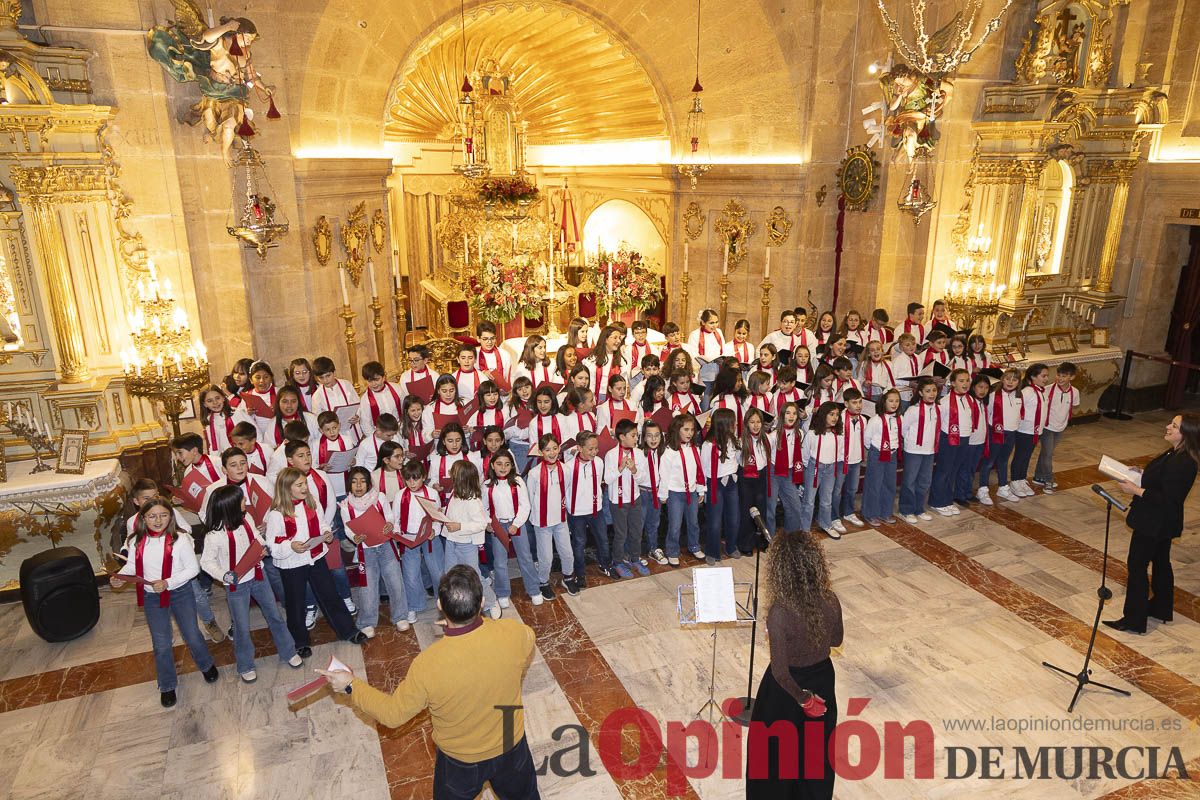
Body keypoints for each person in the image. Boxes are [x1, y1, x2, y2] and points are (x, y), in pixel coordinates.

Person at [318, 567, 540, 800]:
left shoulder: (428, 665)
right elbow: (525, 642)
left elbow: (393, 715)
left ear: (440, 607)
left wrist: (352, 685)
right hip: (511, 743)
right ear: (482, 601)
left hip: (461, 760)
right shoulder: (514, 633)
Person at [746, 530, 842, 800]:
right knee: (816, 754)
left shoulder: (780, 612)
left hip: (786, 692)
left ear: (779, 570)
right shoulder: (830, 599)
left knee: (776, 757)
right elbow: (836, 640)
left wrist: (804, 699)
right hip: (823, 678)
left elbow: (780, 670)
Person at [112, 498, 218, 707]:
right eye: (152, 516)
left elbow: (192, 570)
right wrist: (120, 576)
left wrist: (168, 582)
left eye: (163, 515)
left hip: (180, 592)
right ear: (143, 518)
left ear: (171, 517)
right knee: (161, 643)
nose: (158, 520)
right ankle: (167, 684)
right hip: (153, 597)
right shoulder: (136, 541)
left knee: (192, 634)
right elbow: (132, 565)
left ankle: (206, 665)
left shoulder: (180, 539)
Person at [1105, 414, 1199, 634]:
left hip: (1154, 522)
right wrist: (1142, 474)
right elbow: (1162, 480)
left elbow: (1167, 499)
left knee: (1137, 566)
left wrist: (1135, 490)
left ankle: (1134, 620)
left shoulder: (1183, 463)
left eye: (1174, 426)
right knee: (1160, 562)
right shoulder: (1175, 452)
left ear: (1185, 435)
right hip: (1162, 522)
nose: (1168, 427)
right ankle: (1160, 608)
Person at [201, 485, 301, 682]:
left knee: (275, 615)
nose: (244, 502)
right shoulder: (214, 536)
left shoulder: (246, 519)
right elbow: (206, 562)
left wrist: (263, 548)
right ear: (229, 506)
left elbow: (256, 538)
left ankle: (288, 651)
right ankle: (245, 664)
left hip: (258, 577)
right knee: (241, 626)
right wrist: (224, 575)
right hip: (237, 586)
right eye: (240, 500)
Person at [1032, 362, 1079, 494]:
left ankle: (1038, 477)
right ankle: (1048, 481)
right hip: (1047, 427)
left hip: (1060, 427)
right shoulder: (1047, 390)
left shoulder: (1074, 392)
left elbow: (1071, 407)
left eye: (1064, 376)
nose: (1060, 378)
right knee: (1048, 454)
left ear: (1072, 377)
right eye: (1058, 375)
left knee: (1045, 453)